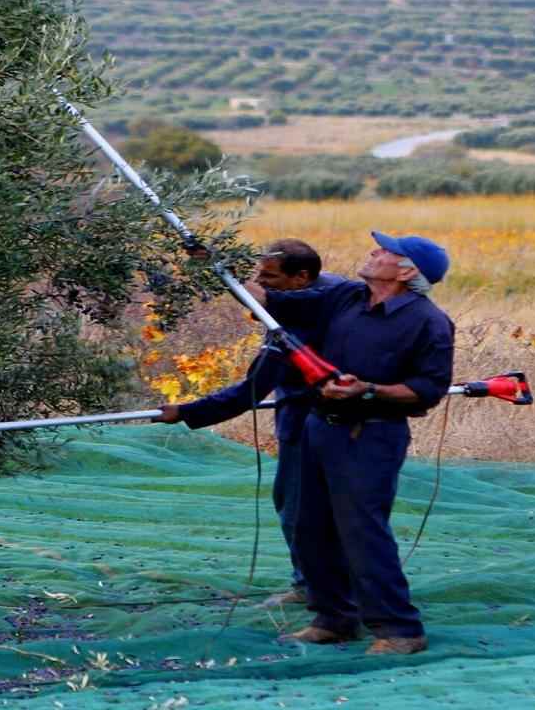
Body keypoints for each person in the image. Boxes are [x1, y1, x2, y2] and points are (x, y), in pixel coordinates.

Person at [248, 231, 453, 656]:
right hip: (318, 426)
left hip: (371, 434)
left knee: (362, 531)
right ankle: (334, 619)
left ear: (406, 270)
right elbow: (272, 301)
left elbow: (428, 389)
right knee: (309, 526)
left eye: (384, 251)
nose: (374, 252)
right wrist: (221, 266)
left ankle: (400, 630)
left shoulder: (429, 322)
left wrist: (369, 390)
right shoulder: (347, 299)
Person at [152, 239, 341, 608]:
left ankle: (313, 588)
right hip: (331, 425)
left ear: (301, 277)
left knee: (296, 508)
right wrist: (218, 265)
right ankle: (328, 583)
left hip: (307, 427)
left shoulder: (296, 331)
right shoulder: (331, 292)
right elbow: (258, 296)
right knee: (320, 508)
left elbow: (250, 392)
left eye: (269, 277)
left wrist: (188, 412)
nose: (261, 283)